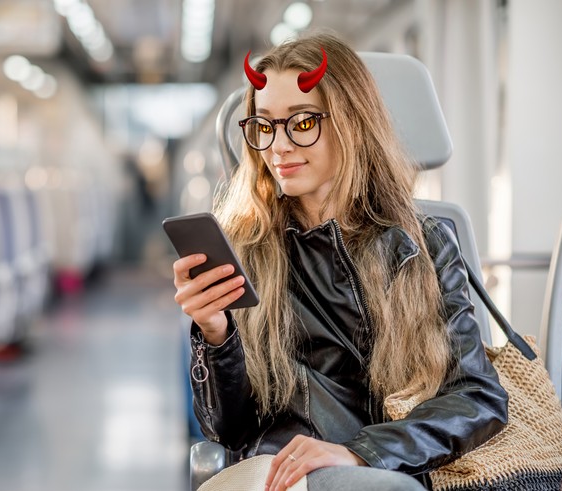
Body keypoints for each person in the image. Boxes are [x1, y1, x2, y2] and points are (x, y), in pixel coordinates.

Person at [171, 33, 508, 491]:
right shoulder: (243, 247)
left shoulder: (422, 245)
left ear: (350, 124)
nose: (279, 147)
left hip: (386, 470)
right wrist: (217, 335)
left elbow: (478, 397)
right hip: (279, 472)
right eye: (265, 126)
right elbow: (229, 430)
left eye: (303, 123)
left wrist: (360, 451)